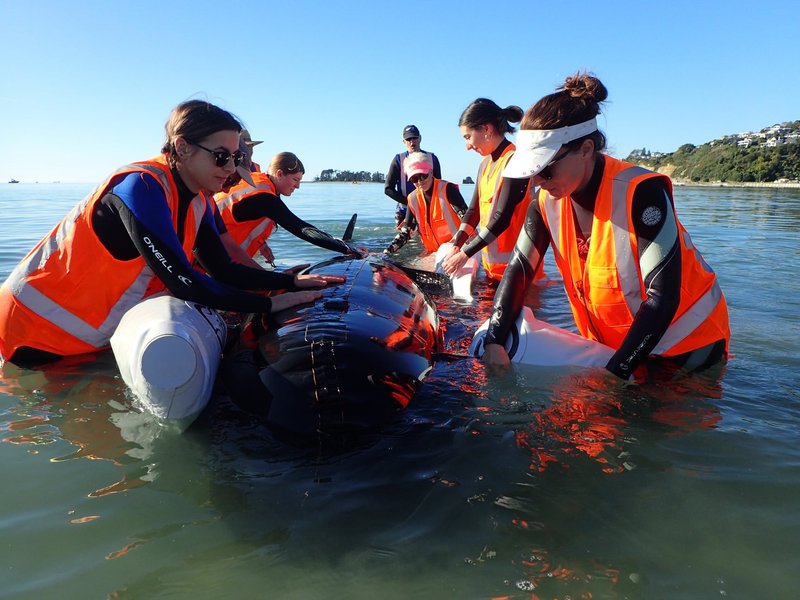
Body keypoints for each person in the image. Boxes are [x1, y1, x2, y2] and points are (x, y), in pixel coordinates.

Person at [0, 100, 343, 367]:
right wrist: (268, 304)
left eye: (236, 157)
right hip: (33, 334)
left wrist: (290, 283)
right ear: (182, 148)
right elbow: (183, 280)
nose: (231, 168)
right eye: (221, 157)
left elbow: (224, 270)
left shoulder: (200, 200)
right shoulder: (141, 186)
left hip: (85, 335)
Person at [480, 72, 730, 380]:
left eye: (545, 169)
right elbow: (519, 269)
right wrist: (494, 340)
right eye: (532, 171)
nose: (537, 181)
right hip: (620, 350)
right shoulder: (545, 202)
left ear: (586, 149)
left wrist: (615, 374)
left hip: (687, 350)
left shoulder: (643, 193)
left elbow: (662, 298)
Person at [440, 98, 540, 282]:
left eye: (468, 137)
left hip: (520, 275)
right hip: (492, 272)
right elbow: (473, 211)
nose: (467, 146)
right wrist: (457, 244)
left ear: (486, 129)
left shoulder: (514, 160)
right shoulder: (484, 163)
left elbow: (502, 219)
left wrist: (464, 254)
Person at [214, 148, 364, 267]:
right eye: (295, 179)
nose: (297, 186)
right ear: (279, 174)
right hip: (211, 263)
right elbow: (301, 228)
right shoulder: (263, 197)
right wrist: (346, 248)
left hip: (214, 254)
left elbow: (239, 218)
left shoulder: (257, 183)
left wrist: (261, 244)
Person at [383, 151, 467, 254]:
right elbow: (406, 232)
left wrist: (458, 245)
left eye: (423, 176)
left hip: (459, 247)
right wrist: (388, 251)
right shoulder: (412, 199)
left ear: (431, 172)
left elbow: (468, 220)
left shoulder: (448, 189)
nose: (420, 182)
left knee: (444, 253)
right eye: (414, 179)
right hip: (433, 252)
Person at [384, 125, 442, 226]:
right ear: (404, 142)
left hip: (428, 209)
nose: (412, 142)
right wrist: (410, 202)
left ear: (420, 138)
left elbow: (438, 186)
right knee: (403, 235)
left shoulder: (432, 159)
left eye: (414, 138)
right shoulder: (398, 160)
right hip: (404, 211)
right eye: (408, 139)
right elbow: (388, 189)